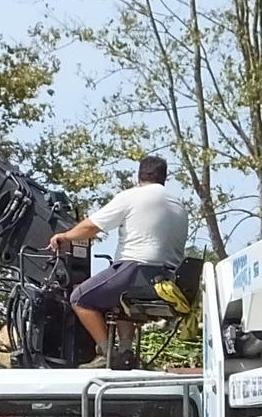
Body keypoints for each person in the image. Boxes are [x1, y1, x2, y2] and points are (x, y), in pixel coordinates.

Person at [48, 155, 188, 368]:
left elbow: (91, 227)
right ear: (164, 178)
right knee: (122, 300)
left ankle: (107, 353)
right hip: (168, 279)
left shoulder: (133, 196)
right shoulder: (178, 206)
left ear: (139, 175)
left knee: (79, 298)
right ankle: (126, 352)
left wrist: (65, 237)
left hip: (137, 269)